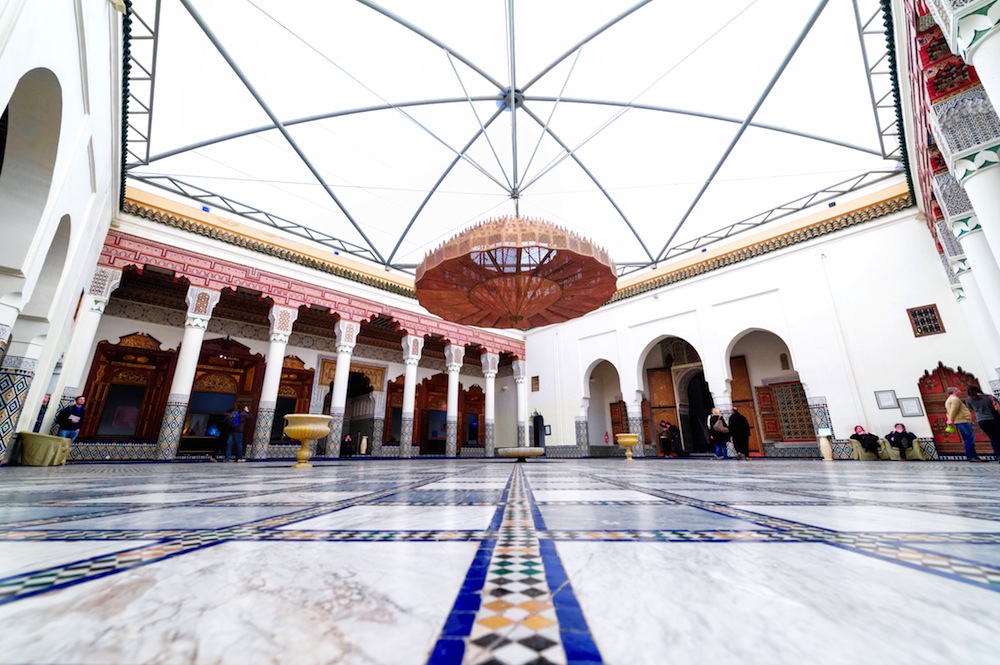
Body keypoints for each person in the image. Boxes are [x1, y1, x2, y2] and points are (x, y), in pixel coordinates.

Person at [945, 386, 984, 462]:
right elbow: (953, 410)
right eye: (958, 389)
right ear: (955, 391)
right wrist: (951, 419)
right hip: (963, 421)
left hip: (960, 421)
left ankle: (973, 456)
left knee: (967, 438)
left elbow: (948, 411)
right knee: (969, 438)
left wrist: (950, 419)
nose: (960, 391)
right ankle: (971, 456)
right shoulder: (955, 399)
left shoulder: (949, 400)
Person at [965, 385, 1000, 461]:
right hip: (992, 418)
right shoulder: (988, 397)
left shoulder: (969, 399)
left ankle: (998, 455)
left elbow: (970, 408)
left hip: (981, 420)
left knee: (993, 438)